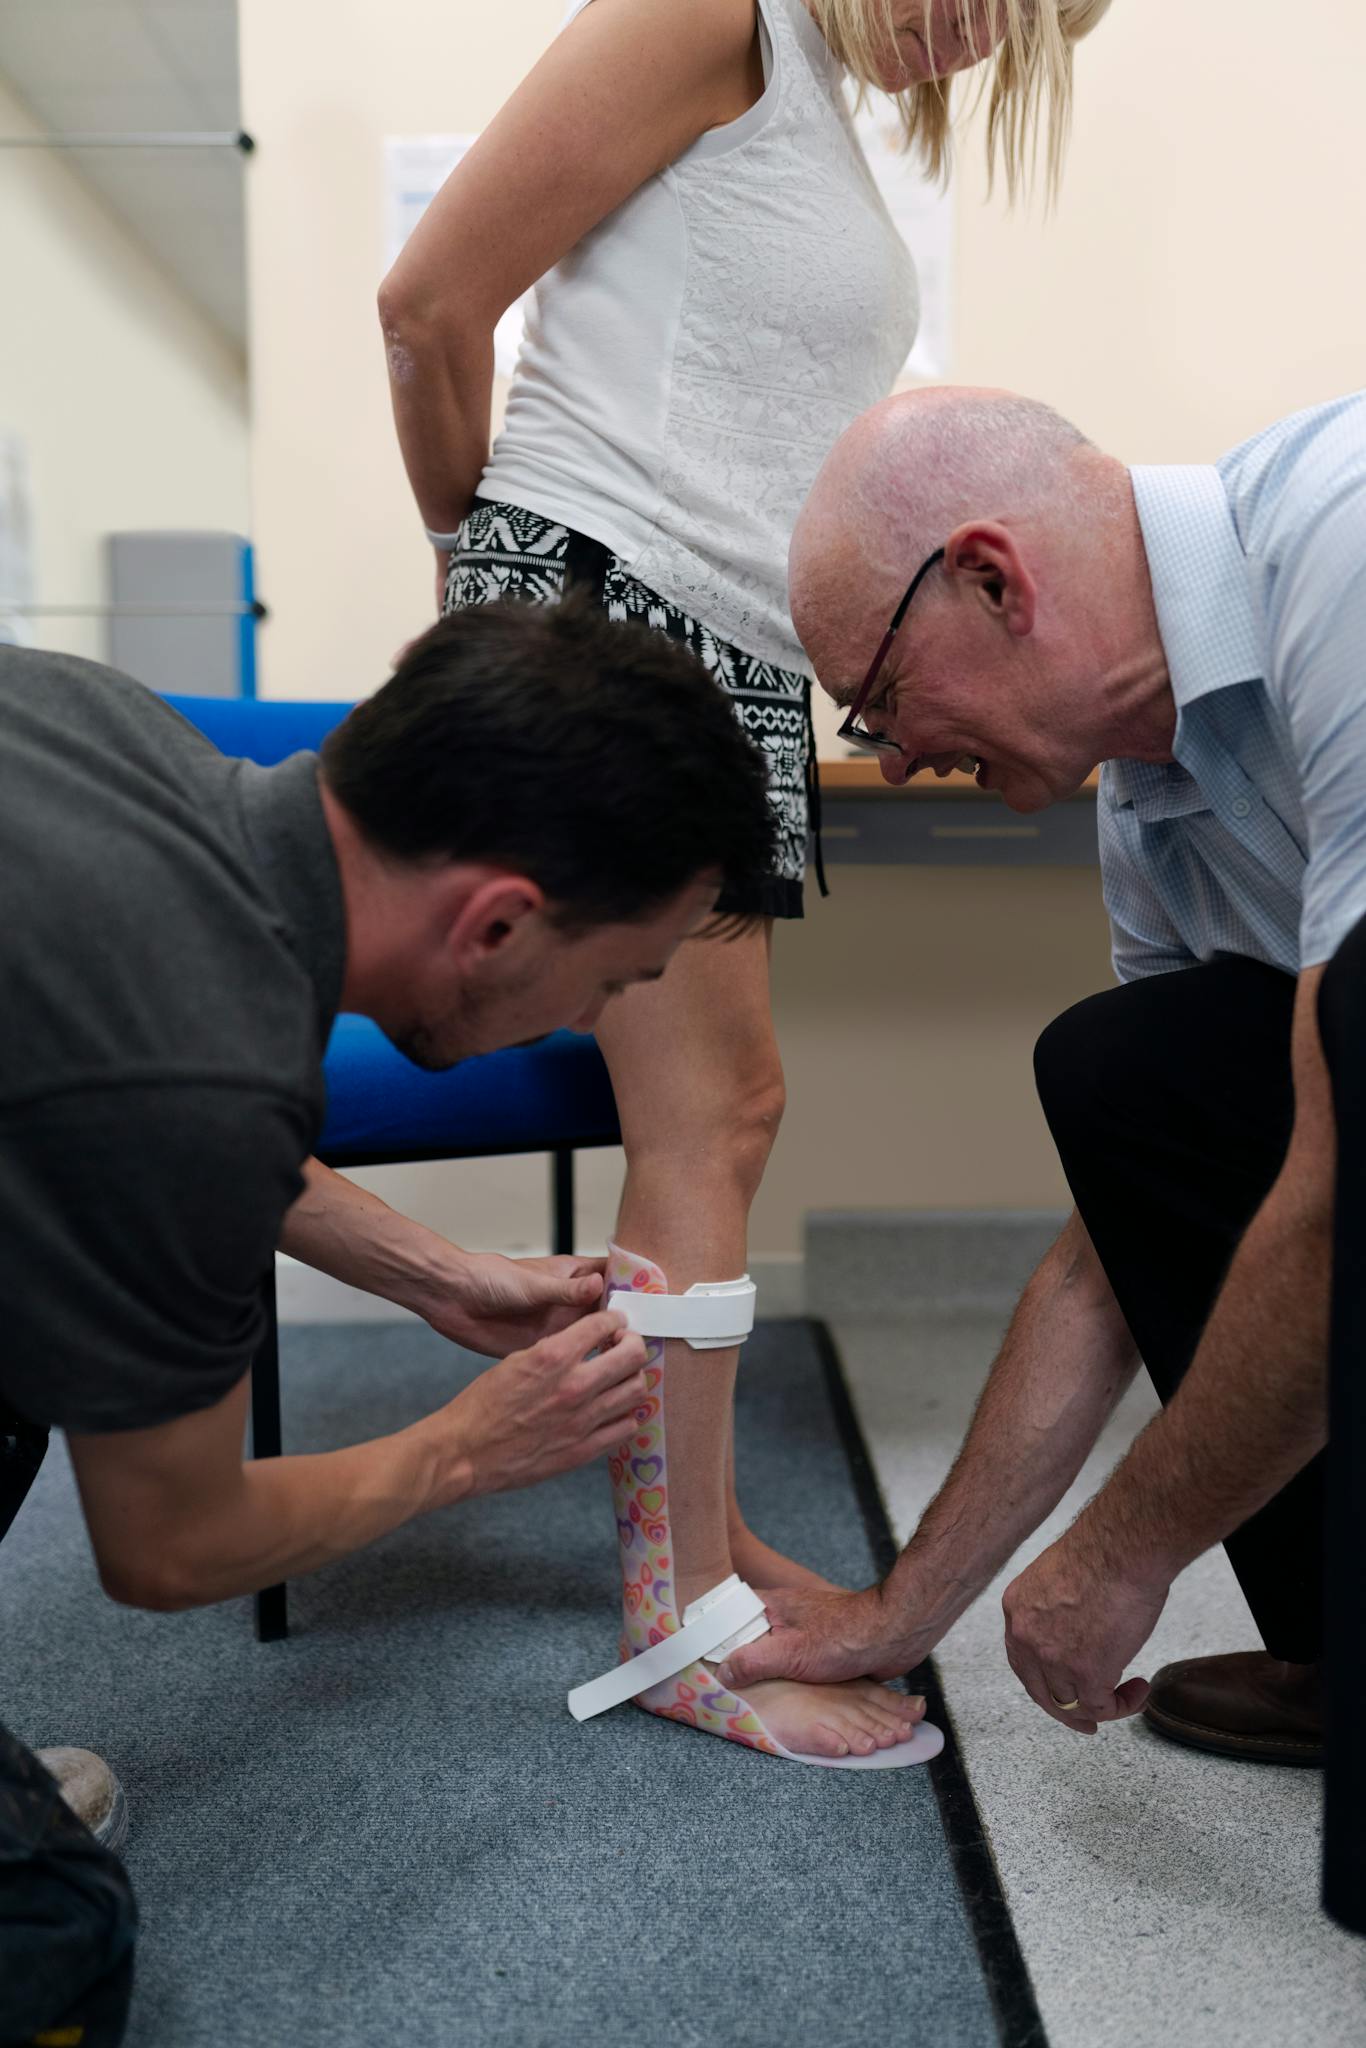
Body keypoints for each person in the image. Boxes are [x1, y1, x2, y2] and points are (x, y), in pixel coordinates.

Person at [378, 0, 1110, 1763]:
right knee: (713, 1115)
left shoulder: (815, 110)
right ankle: (682, 1616)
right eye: (1003, 9)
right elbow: (427, 303)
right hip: (613, 606)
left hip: (719, 642)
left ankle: (686, 1550)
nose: (976, 57)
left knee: (722, 1116)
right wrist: (496, 581)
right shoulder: (712, 10)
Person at [0, 594, 778, 2043]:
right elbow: (169, 1548)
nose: (579, 1021)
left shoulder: (104, 731)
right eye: (609, 981)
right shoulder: (201, 1058)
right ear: (493, 920)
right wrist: (470, 1451)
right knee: (54, 1938)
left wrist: (438, 1274)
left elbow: (100, 1103)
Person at [711, 384, 1366, 1931]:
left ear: (994, 579)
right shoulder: (1155, 813)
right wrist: (899, 1609)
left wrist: (1125, 1553)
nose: (897, 754)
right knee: (1130, 1075)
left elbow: (1347, 1191)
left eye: (876, 701)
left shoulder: (1342, 539)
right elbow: (1116, 1247)